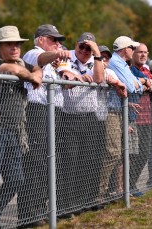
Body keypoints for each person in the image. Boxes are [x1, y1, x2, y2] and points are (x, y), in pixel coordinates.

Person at [0, 25, 42, 228]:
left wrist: (34, 74)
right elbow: (12, 70)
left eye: (17, 44)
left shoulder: (23, 64)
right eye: (9, 44)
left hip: (15, 131)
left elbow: (39, 69)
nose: (15, 47)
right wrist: (31, 77)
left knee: (16, 179)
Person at [19, 24, 69, 226]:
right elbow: (39, 59)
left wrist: (62, 66)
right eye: (53, 39)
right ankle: (28, 214)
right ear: (40, 39)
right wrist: (56, 55)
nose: (57, 44)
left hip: (52, 112)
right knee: (36, 161)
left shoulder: (54, 63)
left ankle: (40, 208)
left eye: (59, 41)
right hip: (36, 112)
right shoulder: (34, 52)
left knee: (49, 162)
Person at [55, 32, 104, 214]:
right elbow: (66, 76)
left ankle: (84, 202)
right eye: (81, 46)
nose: (84, 50)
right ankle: (65, 207)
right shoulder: (67, 55)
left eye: (88, 48)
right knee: (69, 163)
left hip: (90, 117)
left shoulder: (95, 60)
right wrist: (81, 78)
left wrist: (97, 53)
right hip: (69, 117)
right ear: (76, 45)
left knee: (88, 162)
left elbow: (99, 79)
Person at [108, 36, 143, 195]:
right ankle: (104, 193)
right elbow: (131, 86)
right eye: (132, 48)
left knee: (121, 153)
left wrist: (138, 84)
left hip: (119, 110)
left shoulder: (122, 64)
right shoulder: (115, 62)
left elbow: (137, 85)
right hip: (112, 111)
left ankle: (119, 190)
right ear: (124, 49)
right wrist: (138, 84)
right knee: (114, 153)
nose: (134, 51)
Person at [130, 43, 152, 194]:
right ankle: (126, 187)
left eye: (145, 52)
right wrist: (145, 84)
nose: (143, 55)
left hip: (146, 119)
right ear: (132, 53)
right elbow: (133, 86)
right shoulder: (128, 69)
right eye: (140, 52)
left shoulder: (146, 70)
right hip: (132, 119)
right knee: (130, 155)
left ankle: (131, 184)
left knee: (144, 154)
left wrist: (150, 84)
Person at [97, 45, 127, 201]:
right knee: (112, 152)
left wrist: (116, 83)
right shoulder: (95, 70)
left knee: (117, 153)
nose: (104, 60)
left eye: (106, 58)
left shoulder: (111, 71)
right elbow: (100, 77)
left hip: (115, 114)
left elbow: (124, 91)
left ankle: (105, 191)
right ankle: (100, 192)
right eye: (100, 57)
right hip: (101, 116)